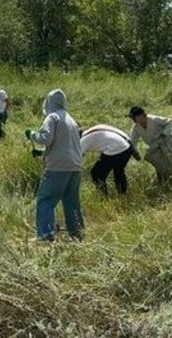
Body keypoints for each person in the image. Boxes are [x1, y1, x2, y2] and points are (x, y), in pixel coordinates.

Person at [25, 89, 83, 241]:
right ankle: (76, 234)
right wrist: (42, 154)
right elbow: (63, 145)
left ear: (49, 102)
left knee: (46, 200)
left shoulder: (52, 117)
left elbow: (45, 138)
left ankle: (45, 236)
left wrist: (31, 135)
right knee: (71, 202)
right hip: (75, 167)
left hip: (58, 167)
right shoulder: (70, 119)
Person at [128, 106, 172, 185]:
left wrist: (164, 134)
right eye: (133, 117)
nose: (134, 119)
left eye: (135, 117)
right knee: (159, 163)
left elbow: (169, 122)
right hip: (156, 146)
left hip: (170, 142)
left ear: (141, 115)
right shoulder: (136, 128)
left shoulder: (153, 119)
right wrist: (132, 153)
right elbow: (133, 141)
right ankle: (165, 182)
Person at [80, 124, 141, 196]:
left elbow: (77, 160)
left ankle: (103, 197)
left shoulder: (82, 141)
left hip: (116, 148)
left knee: (96, 174)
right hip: (127, 148)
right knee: (119, 171)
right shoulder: (92, 130)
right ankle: (123, 196)